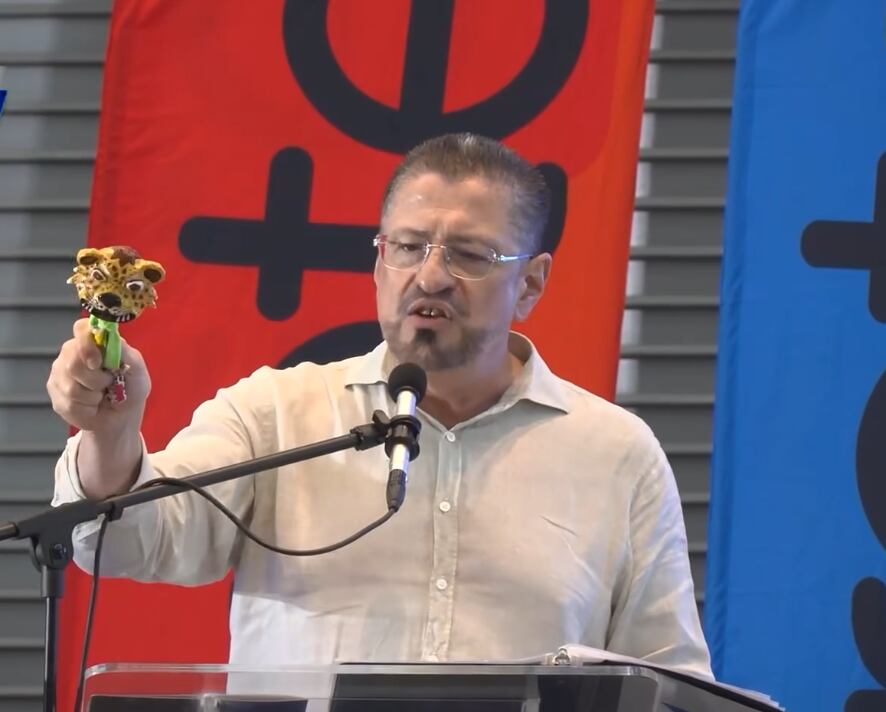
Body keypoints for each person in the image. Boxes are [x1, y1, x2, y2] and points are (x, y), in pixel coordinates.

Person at [49, 133, 712, 678]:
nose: (431, 276)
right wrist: (111, 433)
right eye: (408, 247)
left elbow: (669, 681)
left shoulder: (616, 455)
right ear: (377, 262)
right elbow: (125, 542)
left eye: (469, 255)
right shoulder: (276, 413)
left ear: (530, 283)